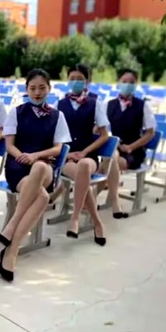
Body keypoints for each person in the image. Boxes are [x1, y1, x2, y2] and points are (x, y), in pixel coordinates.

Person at [0, 69, 71, 281]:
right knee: (43, 197)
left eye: (42, 88)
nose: (37, 92)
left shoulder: (57, 116)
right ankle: (11, 251)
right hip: (18, 167)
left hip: (44, 166)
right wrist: (23, 157)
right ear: (26, 89)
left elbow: (57, 148)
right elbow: (9, 145)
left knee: (39, 167)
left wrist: (36, 156)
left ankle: (13, 223)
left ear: (49, 88)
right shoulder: (16, 112)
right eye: (32, 88)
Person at [56, 64, 110, 246]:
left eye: (80, 79)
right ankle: (97, 223)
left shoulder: (95, 104)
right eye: (72, 78)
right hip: (68, 157)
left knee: (84, 166)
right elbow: (55, 134)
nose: (75, 82)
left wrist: (85, 152)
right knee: (81, 174)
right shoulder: (60, 104)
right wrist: (68, 153)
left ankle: (75, 218)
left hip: (88, 156)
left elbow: (104, 135)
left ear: (87, 81)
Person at [103, 68, 156, 218]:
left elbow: (150, 133)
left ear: (136, 84)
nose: (127, 85)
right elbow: (101, 128)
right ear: (118, 83)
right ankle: (111, 201)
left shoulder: (142, 106)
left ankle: (102, 199)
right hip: (115, 148)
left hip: (134, 151)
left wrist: (131, 147)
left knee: (106, 165)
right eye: (124, 81)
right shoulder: (109, 104)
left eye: (131, 82)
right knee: (109, 160)